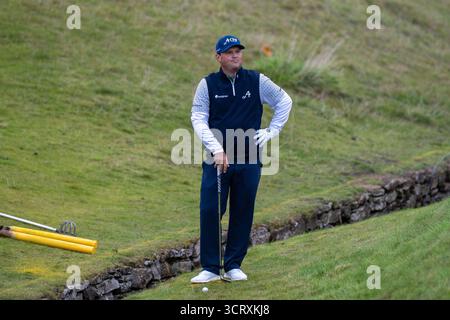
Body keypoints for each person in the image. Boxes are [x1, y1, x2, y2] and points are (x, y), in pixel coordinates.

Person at [190, 35, 292, 283]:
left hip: (249, 160)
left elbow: (284, 100)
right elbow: (198, 118)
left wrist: (272, 131)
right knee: (211, 209)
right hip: (217, 160)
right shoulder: (208, 84)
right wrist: (216, 149)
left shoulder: (256, 80)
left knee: (242, 210)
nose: (235, 55)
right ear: (219, 57)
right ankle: (212, 268)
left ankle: (234, 265)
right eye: (229, 52)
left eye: (238, 51)